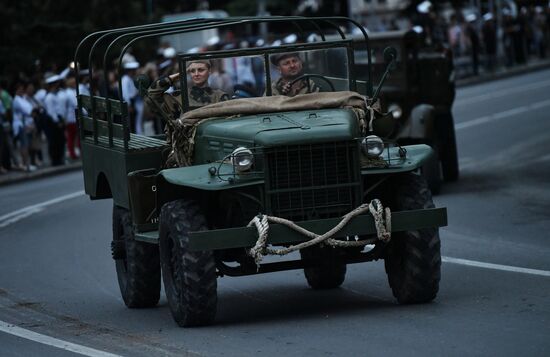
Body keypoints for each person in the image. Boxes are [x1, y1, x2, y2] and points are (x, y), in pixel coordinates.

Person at [146, 59, 228, 124]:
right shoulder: (179, 97)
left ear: (209, 71)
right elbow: (151, 96)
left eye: (201, 70)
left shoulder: (220, 96)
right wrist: (178, 75)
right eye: (192, 71)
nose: (196, 74)